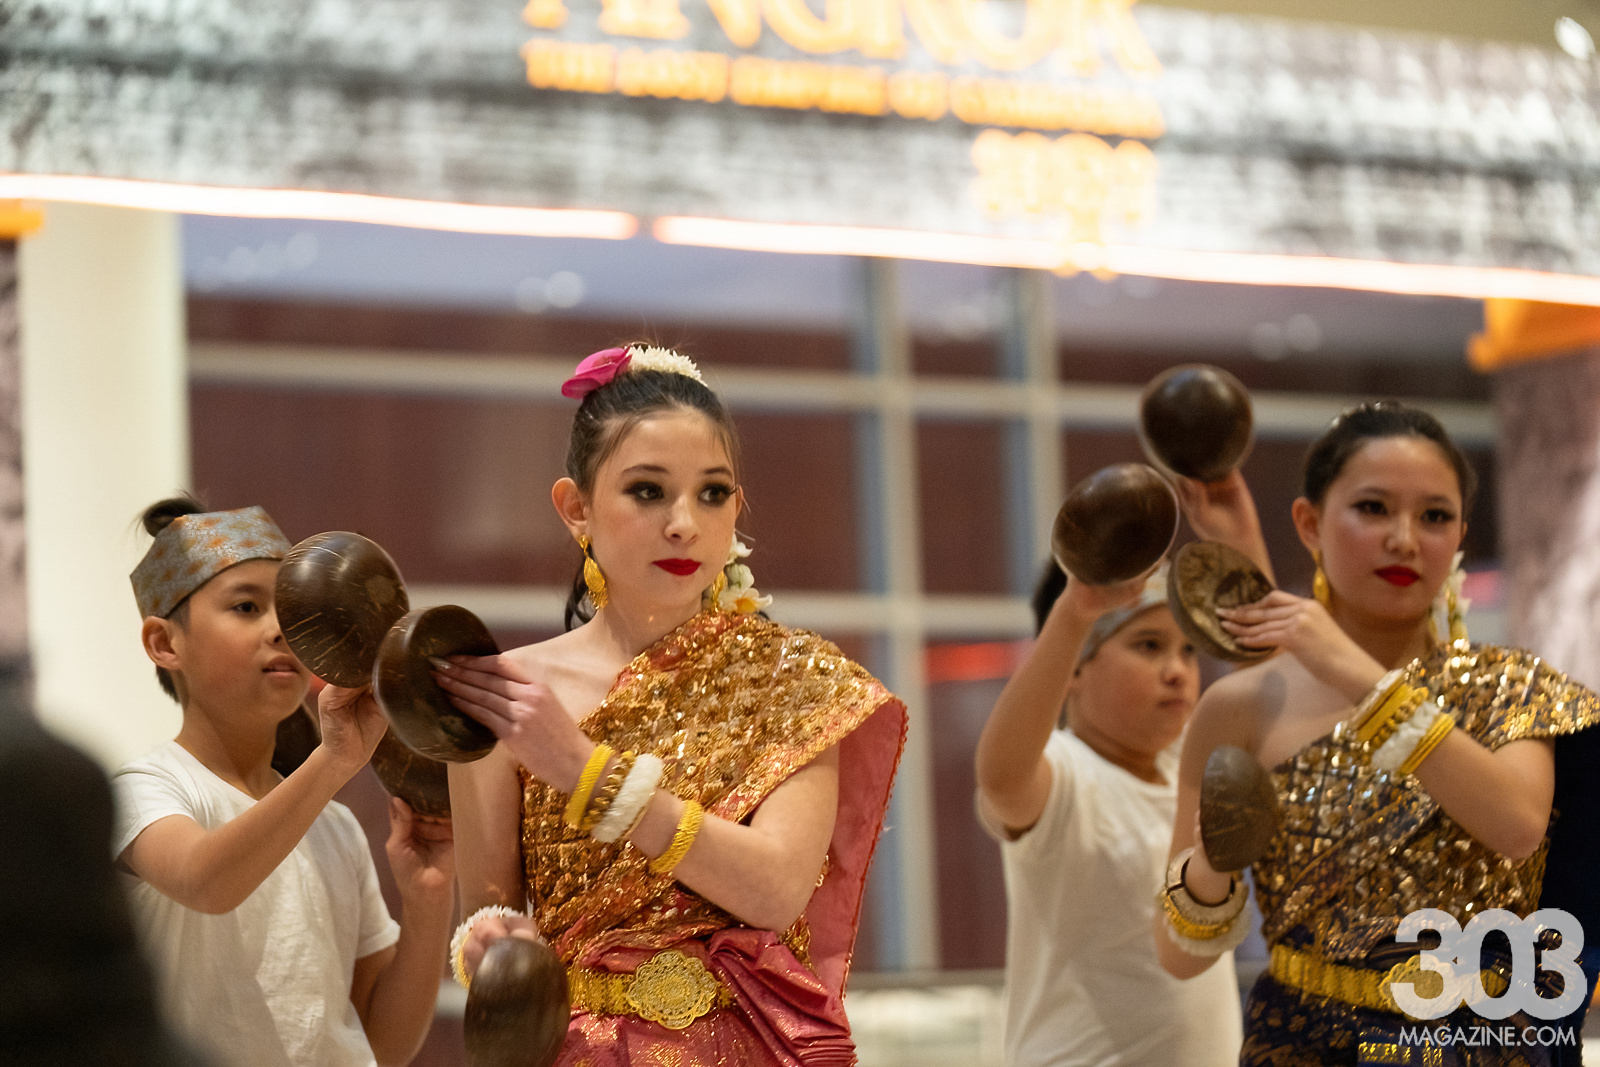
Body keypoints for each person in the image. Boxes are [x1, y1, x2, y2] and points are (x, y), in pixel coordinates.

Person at [439, 345, 906, 1067]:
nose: (684, 522)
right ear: (576, 509)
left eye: (712, 493)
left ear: (736, 509)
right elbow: (490, 916)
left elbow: (776, 889)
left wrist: (588, 773)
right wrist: (486, 942)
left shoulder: (793, 679)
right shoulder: (510, 697)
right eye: (648, 491)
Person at [1156, 402, 1600, 1065]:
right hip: (1303, 1046)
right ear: (1309, 523)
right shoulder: (1239, 708)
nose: (1404, 538)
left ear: (1460, 535)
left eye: (1434, 516)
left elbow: (1515, 825)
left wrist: (1359, 676)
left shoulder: (1509, 685)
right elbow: (1178, 956)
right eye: (1373, 508)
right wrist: (1214, 861)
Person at [112, 498, 456, 1067]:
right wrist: (334, 760)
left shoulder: (335, 826)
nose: (281, 630)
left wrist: (428, 900)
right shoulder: (147, 789)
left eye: (293, 613)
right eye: (246, 607)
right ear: (165, 643)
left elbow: (381, 1046)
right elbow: (206, 882)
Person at [974, 470, 1268, 1066]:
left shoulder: (1189, 765)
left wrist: (1240, 541)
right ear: (1076, 670)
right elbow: (1001, 780)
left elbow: (1270, 695)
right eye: (1148, 646)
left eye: (1188, 649)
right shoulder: (1064, 773)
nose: (1178, 670)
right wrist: (1075, 612)